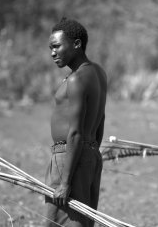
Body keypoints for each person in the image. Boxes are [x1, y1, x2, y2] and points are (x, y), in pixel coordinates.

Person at [44, 17, 107, 227]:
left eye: (57, 46)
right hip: (87, 155)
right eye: (50, 48)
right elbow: (101, 118)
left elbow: (75, 133)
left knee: (61, 222)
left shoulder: (76, 79)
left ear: (77, 44)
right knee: (81, 221)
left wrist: (65, 182)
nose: (53, 53)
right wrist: (93, 152)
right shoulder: (98, 73)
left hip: (69, 158)